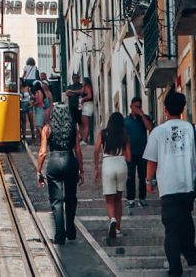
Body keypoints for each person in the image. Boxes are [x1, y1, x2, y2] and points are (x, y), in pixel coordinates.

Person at [144, 90, 196, 277]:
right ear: (182, 109)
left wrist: (149, 181)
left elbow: (151, 161)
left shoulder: (157, 132)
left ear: (165, 110)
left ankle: (175, 268)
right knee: (186, 218)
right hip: (188, 185)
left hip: (168, 187)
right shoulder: (193, 129)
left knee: (171, 228)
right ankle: (190, 253)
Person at [36, 103, 84, 245]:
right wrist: (81, 169)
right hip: (70, 161)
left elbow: (43, 152)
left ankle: (59, 235)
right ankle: (70, 229)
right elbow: (78, 150)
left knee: (57, 202)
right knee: (70, 198)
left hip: (54, 163)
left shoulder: (47, 128)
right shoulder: (73, 128)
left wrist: (38, 171)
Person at [95, 112, 132, 240]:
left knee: (109, 200)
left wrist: (96, 168)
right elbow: (129, 156)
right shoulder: (124, 135)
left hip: (108, 163)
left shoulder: (103, 133)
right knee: (118, 199)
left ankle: (112, 220)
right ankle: (118, 229)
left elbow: (95, 150)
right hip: (121, 164)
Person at [124, 96, 154, 208]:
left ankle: (142, 198)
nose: (137, 108)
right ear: (131, 106)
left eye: (139, 107)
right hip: (130, 153)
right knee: (130, 176)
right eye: (136, 106)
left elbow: (150, 128)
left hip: (143, 152)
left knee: (143, 176)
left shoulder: (145, 118)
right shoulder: (125, 121)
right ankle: (130, 199)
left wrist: (142, 115)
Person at [79, 77, 95, 145]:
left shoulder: (87, 86)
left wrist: (83, 99)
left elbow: (90, 96)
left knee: (86, 124)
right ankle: (84, 139)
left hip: (87, 106)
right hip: (86, 106)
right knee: (84, 123)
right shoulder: (84, 87)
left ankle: (85, 140)